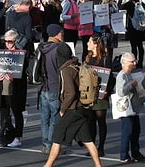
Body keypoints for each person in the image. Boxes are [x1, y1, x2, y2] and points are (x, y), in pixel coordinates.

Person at [43, 39, 103, 167]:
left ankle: (47, 165)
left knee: (57, 138)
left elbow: (69, 92)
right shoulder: (77, 66)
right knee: (88, 140)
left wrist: (63, 109)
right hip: (82, 107)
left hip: (71, 109)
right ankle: (98, 165)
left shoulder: (65, 70)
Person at [0, 29, 30, 148]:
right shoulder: (2, 53)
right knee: (3, 113)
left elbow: (23, 72)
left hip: (15, 89)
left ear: (15, 41)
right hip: (2, 88)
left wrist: (14, 78)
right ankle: (3, 135)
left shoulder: (22, 54)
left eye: (10, 42)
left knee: (17, 113)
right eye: (5, 41)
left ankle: (17, 137)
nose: (7, 44)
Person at [115, 52, 145, 163]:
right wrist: (131, 85)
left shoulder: (130, 73)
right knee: (127, 131)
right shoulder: (122, 75)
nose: (135, 63)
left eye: (135, 61)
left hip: (134, 108)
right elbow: (120, 92)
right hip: (126, 108)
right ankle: (124, 155)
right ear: (124, 63)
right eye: (132, 61)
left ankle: (135, 153)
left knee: (136, 131)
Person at [39, 24, 67, 155]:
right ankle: (51, 146)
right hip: (55, 87)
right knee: (54, 119)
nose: (63, 34)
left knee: (45, 118)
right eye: (61, 32)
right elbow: (62, 70)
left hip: (44, 87)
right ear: (57, 34)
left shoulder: (42, 48)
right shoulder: (58, 49)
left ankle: (45, 144)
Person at [85, 34, 112, 157]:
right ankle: (91, 146)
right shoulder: (87, 58)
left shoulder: (105, 59)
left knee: (101, 121)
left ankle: (101, 147)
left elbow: (110, 76)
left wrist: (107, 90)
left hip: (101, 94)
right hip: (89, 94)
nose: (87, 44)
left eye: (89, 42)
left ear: (95, 44)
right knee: (90, 121)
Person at [121, 0, 145, 68]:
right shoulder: (141, 4)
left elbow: (121, 7)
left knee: (134, 47)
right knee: (140, 46)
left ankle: (134, 62)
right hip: (140, 28)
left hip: (132, 28)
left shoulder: (129, 4)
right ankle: (140, 62)